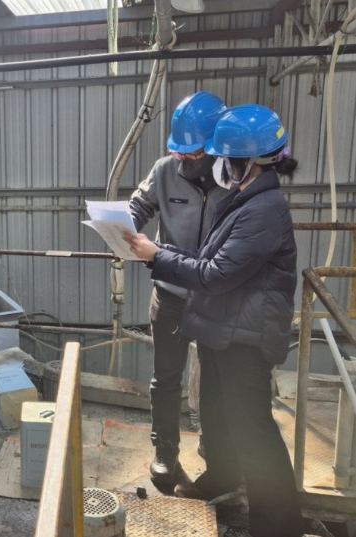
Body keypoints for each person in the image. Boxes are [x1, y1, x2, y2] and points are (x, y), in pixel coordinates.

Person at [124, 104, 305, 537]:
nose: (219, 165)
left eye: (224, 158)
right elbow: (207, 257)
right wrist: (159, 252)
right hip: (223, 327)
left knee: (254, 432)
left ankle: (277, 528)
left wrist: (156, 255)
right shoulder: (248, 198)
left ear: (245, 163)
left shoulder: (262, 209)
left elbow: (214, 274)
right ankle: (220, 478)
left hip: (245, 335)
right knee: (220, 413)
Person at [128, 91, 230, 485]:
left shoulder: (234, 178)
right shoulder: (165, 170)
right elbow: (139, 206)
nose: (184, 158)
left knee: (216, 380)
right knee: (166, 377)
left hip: (216, 296)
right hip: (170, 295)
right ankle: (165, 450)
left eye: (194, 152)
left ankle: (215, 449)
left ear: (216, 145)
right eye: (180, 151)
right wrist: (124, 226)